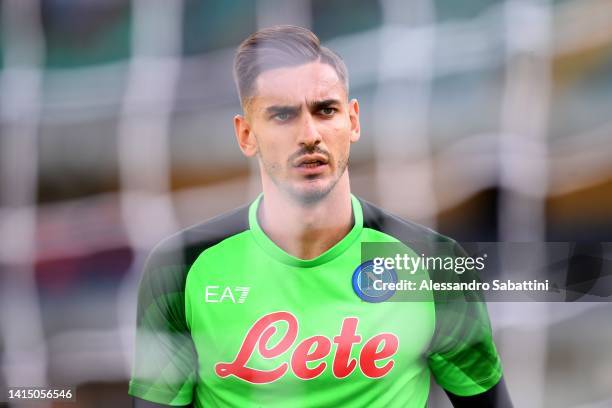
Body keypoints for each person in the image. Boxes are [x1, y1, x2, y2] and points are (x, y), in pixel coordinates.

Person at [129, 25, 512, 408]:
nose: (309, 134)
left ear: (353, 120)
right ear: (246, 135)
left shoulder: (432, 263)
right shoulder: (182, 267)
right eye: (282, 116)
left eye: (325, 110)